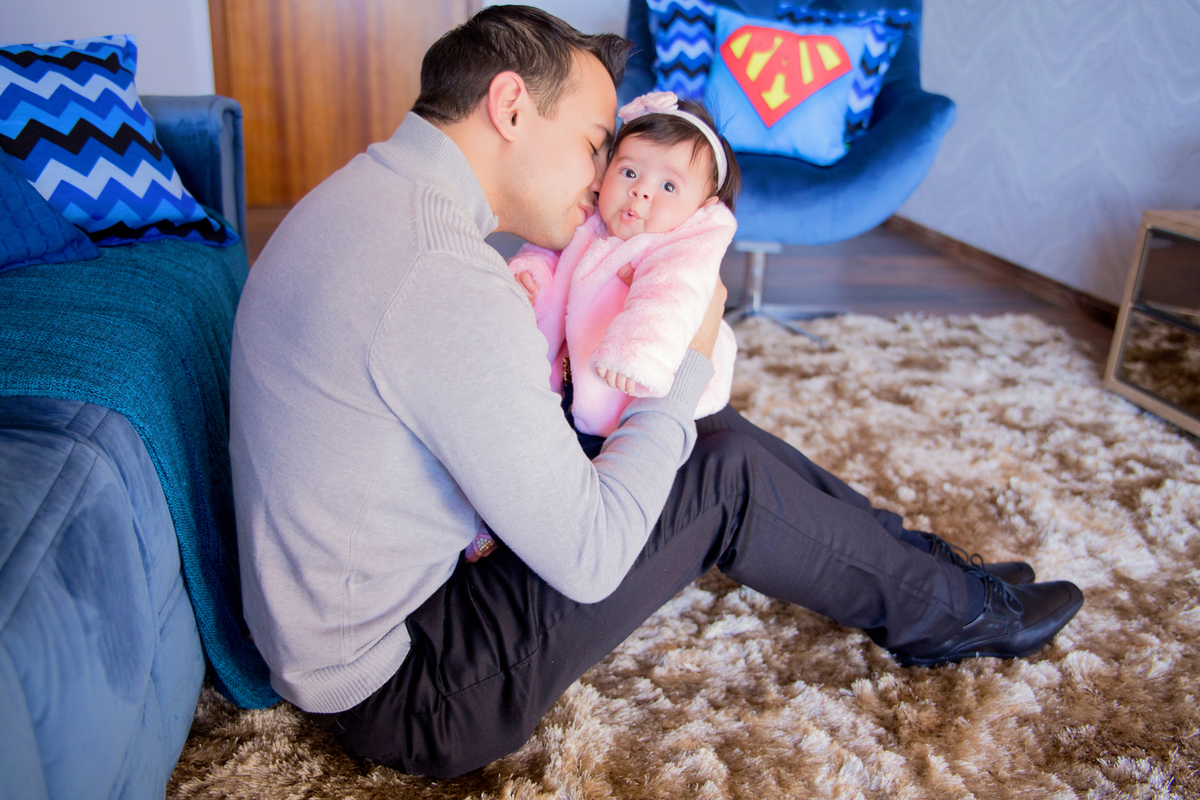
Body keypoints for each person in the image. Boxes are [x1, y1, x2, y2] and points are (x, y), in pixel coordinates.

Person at [228, 5, 1083, 780]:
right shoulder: (443, 279)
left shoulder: (361, 197)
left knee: (705, 436)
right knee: (717, 467)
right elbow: (592, 558)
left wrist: (675, 391)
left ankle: (931, 576)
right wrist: (688, 365)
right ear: (512, 106)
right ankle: (954, 615)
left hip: (352, 616)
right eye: (597, 140)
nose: (606, 175)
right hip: (413, 688)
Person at [508, 91, 740, 445]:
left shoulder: (678, 249)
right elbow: (549, 253)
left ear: (701, 207)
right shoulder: (591, 225)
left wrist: (639, 354)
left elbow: (668, 298)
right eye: (629, 172)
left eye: (668, 185)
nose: (640, 191)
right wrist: (531, 276)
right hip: (581, 387)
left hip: (649, 391)